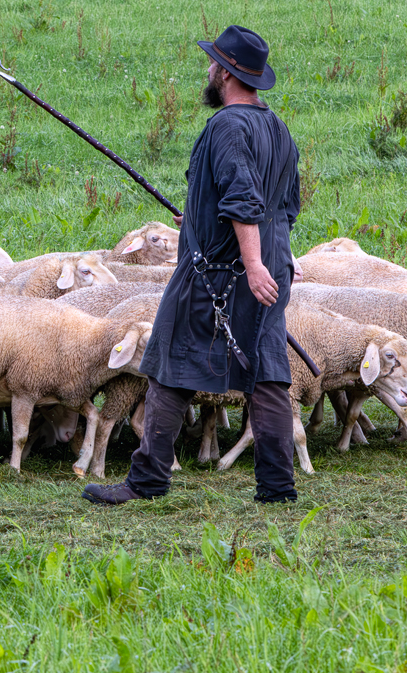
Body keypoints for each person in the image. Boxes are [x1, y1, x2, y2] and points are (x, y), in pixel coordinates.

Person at [84, 25, 302, 505]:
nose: (208, 69)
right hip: (267, 275)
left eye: (212, 63)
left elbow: (244, 200)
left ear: (225, 73)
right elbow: (282, 206)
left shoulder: (226, 125)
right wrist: (209, 217)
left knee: (168, 367)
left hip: (220, 276)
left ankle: (147, 480)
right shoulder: (278, 129)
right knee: (267, 376)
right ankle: (277, 488)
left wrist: (250, 263)